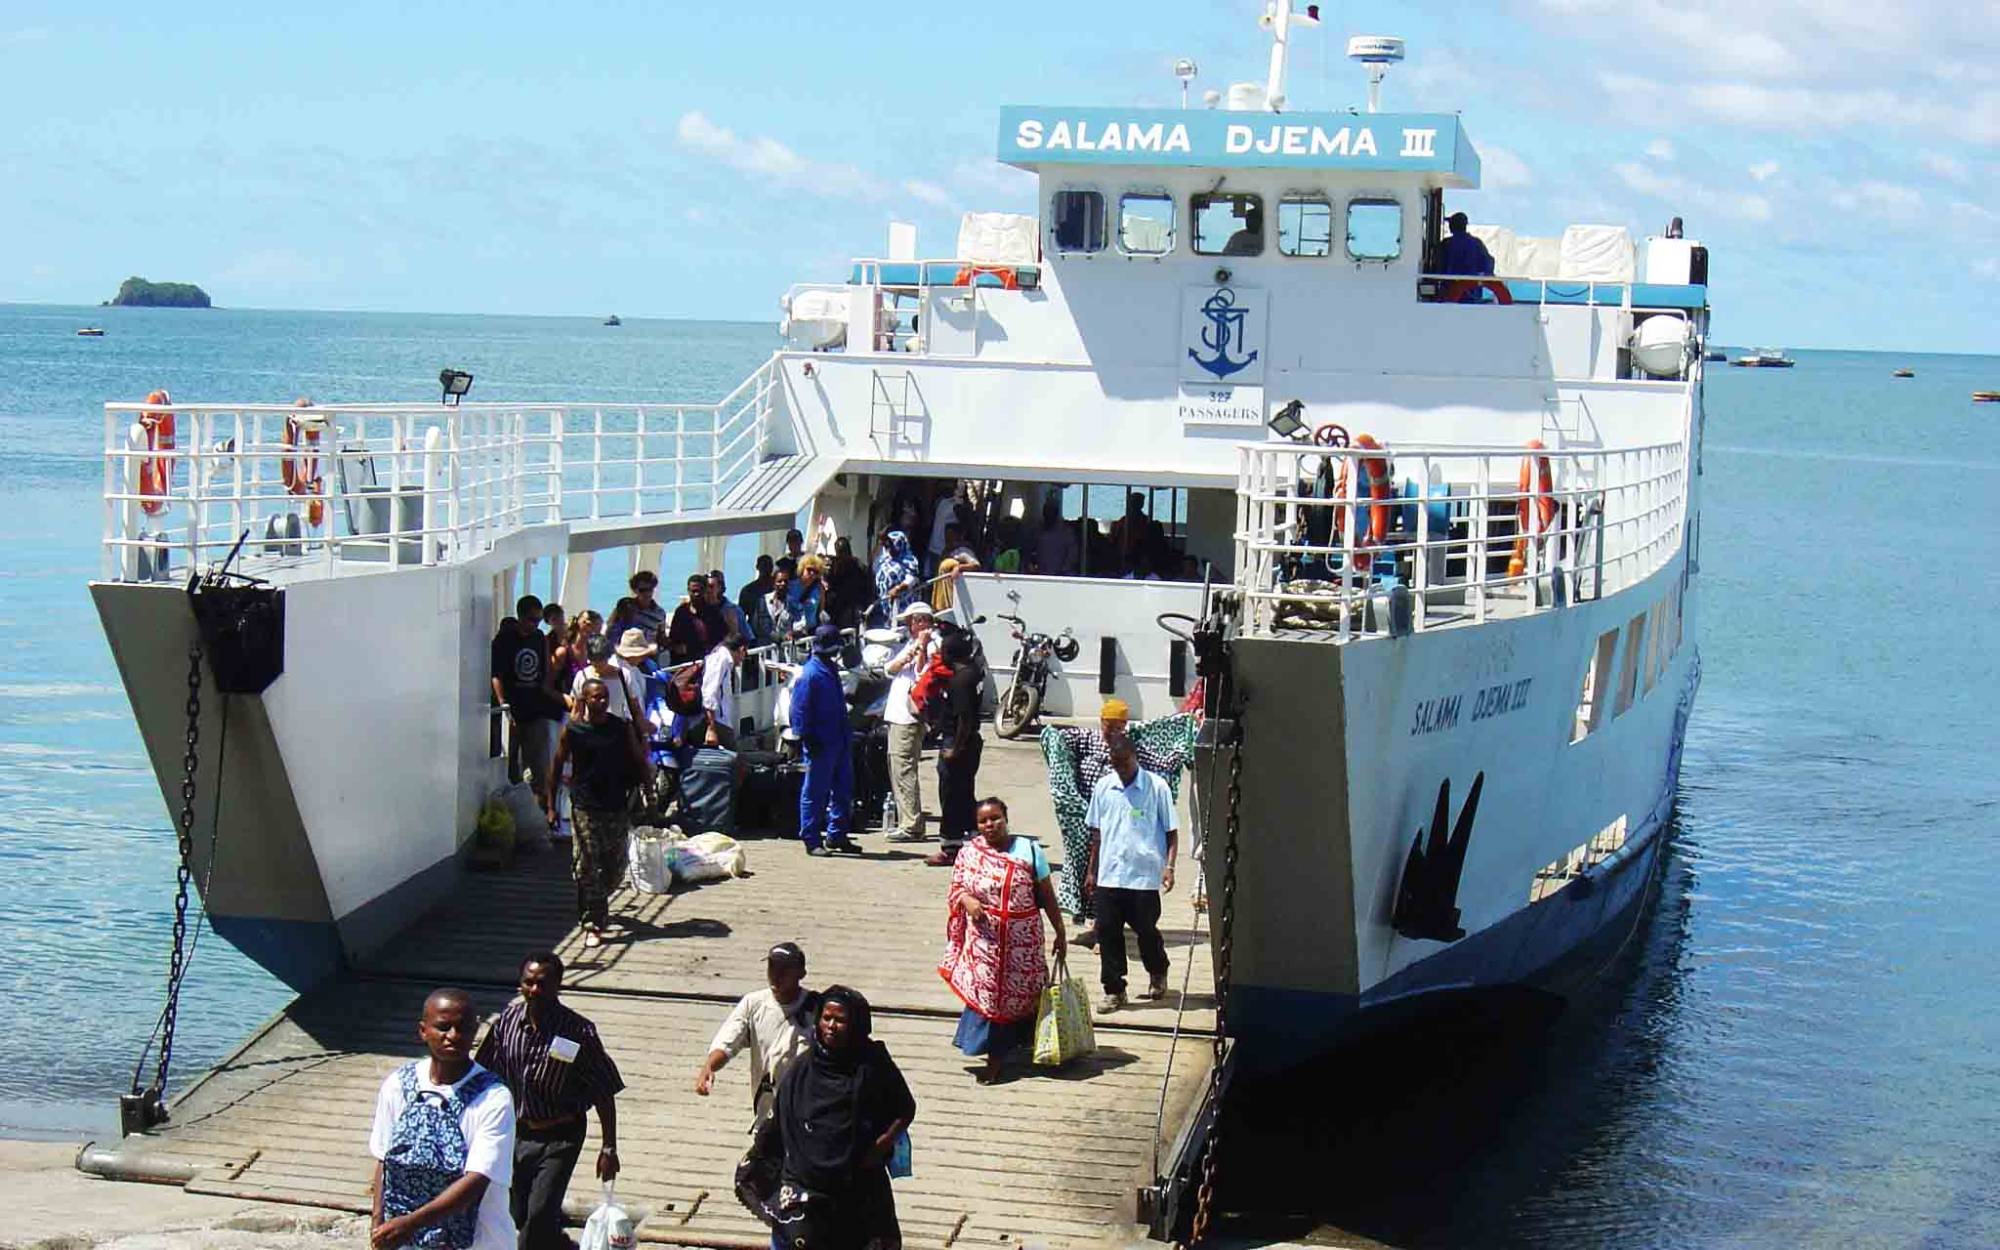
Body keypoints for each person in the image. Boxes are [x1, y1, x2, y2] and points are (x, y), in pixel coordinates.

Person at [744, 987, 915, 1250]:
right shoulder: (803, 1068)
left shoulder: (872, 1065)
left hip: (858, 1182)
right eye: (826, 1018)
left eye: (841, 1020)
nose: (831, 1026)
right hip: (805, 1183)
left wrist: (881, 1145)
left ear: (856, 1024)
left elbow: (904, 1108)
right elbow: (781, 1118)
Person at [474, 953, 623, 1250]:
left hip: (560, 1138)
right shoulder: (506, 1023)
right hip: (516, 1134)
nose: (534, 990)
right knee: (516, 1211)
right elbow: (482, 1074)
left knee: (538, 1215)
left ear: (558, 985)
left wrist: (609, 1147)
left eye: (542, 984)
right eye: (528, 983)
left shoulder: (579, 1031)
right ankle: (560, 1244)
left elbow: (603, 1091)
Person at [369, 988, 516, 1250]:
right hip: (404, 1237)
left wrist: (410, 1224)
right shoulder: (398, 1086)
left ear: (475, 1031)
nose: (453, 1036)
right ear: (423, 1031)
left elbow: (477, 1180)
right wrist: (379, 1221)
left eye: (462, 1028)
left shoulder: (493, 1097)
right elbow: (384, 1159)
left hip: (476, 1240)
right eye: (443, 1027)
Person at [940, 797, 1066, 1082]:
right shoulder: (969, 853)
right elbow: (957, 887)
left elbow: (1046, 896)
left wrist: (1060, 931)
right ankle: (995, 1060)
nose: (990, 825)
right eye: (983, 821)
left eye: (995, 818)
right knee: (990, 998)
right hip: (985, 943)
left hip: (1024, 943)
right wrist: (967, 900)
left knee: (1024, 994)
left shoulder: (1029, 851)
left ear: (1006, 818)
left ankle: (1032, 1047)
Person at [1042, 697, 1197, 925]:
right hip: (1089, 816)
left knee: (1110, 871)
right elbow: (1056, 740)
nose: (1112, 732)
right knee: (1087, 869)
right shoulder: (1086, 739)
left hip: (1118, 821)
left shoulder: (1131, 747)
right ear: (1101, 721)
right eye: (1108, 726)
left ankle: (1103, 926)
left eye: (1118, 727)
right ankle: (1094, 921)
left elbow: (1160, 761)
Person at [547, 678, 645, 948]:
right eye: (595, 698)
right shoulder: (574, 730)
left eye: (604, 697)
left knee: (614, 869)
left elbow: (639, 759)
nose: (600, 702)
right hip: (584, 806)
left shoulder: (620, 729)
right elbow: (556, 764)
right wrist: (551, 806)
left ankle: (590, 898)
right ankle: (594, 921)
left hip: (615, 805)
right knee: (587, 863)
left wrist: (649, 795)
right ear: (584, 700)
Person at [1085, 735, 1178, 1013]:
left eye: (1124, 764)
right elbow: (1097, 834)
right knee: (1108, 932)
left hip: (1143, 875)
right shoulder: (1104, 787)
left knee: (1146, 931)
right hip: (1110, 874)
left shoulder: (1157, 787)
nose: (1121, 770)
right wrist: (1092, 871)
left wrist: (1169, 867)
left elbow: (1171, 832)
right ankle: (1114, 990)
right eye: (1115, 765)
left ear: (1134, 757)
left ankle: (1157, 970)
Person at [694, 942, 820, 1133]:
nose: (776, 975)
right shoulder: (754, 1004)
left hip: (808, 1117)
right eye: (772, 967)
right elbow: (729, 1041)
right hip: (767, 1115)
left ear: (801, 973)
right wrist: (709, 1067)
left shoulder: (818, 1010)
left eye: (784, 969)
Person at [790, 624, 859, 855]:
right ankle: (811, 839)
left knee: (843, 788)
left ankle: (837, 835)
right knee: (815, 791)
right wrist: (806, 736)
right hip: (820, 740)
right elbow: (798, 710)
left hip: (839, 737)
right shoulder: (810, 674)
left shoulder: (829, 669)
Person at [491, 597, 565, 792]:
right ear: (521, 617)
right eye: (532, 619)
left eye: (538, 620)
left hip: (535, 709)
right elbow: (496, 674)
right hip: (513, 710)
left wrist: (548, 691)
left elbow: (546, 669)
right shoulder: (504, 640)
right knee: (510, 761)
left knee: (540, 762)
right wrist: (503, 704)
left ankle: (544, 808)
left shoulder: (539, 637)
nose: (535, 624)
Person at [925, 633, 984, 867]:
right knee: (964, 792)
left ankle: (950, 847)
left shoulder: (961, 681)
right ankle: (975, 840)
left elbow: (964, 720)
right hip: (967, 743)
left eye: (942, 651)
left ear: (950, 653)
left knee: (950, 796)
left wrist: (955, 749)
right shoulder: (974, 672)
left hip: (959, 744)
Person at [881, 603, 935, 843]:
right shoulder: (909, 644)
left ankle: (912, 825)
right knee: (897, 767)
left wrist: (921, 647)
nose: (910, 626)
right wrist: (910, 651)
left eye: (913, 621)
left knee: (904, 768)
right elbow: (889, 669)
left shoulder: (934, 646)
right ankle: (906, 820)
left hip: (909, 718)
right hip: (897, 715)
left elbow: (924, 672)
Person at [701, 632, 745, 749]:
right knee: (734, 760)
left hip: (720, 721)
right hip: (718, 721)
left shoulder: (723, 660)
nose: (742, 660)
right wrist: (711, 728)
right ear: (741, 650)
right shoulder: (720, 659)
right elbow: (709, 692)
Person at [871, 531, 924, 626]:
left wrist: (898, 588)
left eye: (893, 544)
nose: (890, 548)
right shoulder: (883, 559)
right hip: (885, 604)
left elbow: (912, 579)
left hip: (903, 603)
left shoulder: (909, 560)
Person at [667, 573, 719, 664]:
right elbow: (673, 639)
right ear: (688, 590)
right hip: (683, 664)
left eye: (700, 590)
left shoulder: (714, 613)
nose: (697, 594)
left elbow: (720, 639)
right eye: (693, 591)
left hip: (706, 662)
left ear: (706, 590)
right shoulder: (681, 612)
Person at [1438, 211, 1495, 277]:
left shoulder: (1447, 244)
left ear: (1452, 226)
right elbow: (1488, 264)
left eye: (1450, 223)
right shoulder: (1476, 243)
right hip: (1471, 284)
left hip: (1451, 285)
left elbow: (1439, 267)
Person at [1032, 494, 1078, 576]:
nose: (1048, 514)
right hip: (1040, 575)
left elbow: (1072, 555)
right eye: (1046, 511)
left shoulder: (1066, 532)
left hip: (1061, 576)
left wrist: (1063, 570)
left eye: (1051, 511)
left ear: (1056, 513)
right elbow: (1032, 552)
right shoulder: (1037, 531)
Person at [707, 570, 751, 649]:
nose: (708, 590)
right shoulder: (701, 609)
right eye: (705, 587)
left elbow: (746, 637)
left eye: (711, 586)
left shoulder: (734, 610)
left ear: (720, 588)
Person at [739, 555, 777, 643]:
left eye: (768, 566)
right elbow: (742, 617)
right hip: (755, 636)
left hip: (776, 634)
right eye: (763, 566)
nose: (766, 569)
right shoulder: (748, 591)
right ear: (757, 567)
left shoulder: (778, 587)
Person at [626, 570, 668, 641]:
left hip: (650, 649)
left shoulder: (660, 612)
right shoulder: (626, 609)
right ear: (635, 590)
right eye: (643, 590)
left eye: (650, 589)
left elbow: (661, 636)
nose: (647, 593)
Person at [788, 556, 826, 633]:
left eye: (816, 572)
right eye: (809, 569)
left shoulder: (819, 589)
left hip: (811, 631)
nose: (812, 573)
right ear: (802, 568)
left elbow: (820, 610)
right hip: (794, 632)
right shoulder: (790, 586)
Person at [767, 566, 800, 645]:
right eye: (779, 581)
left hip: (787, 649)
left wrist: (793, 632)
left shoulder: (794, 602)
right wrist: (777, 636)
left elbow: (800, 622)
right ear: (773, 583)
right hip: (766, 649)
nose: (783, 584)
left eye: (785, 581)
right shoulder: (763, 601)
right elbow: (760, 625)